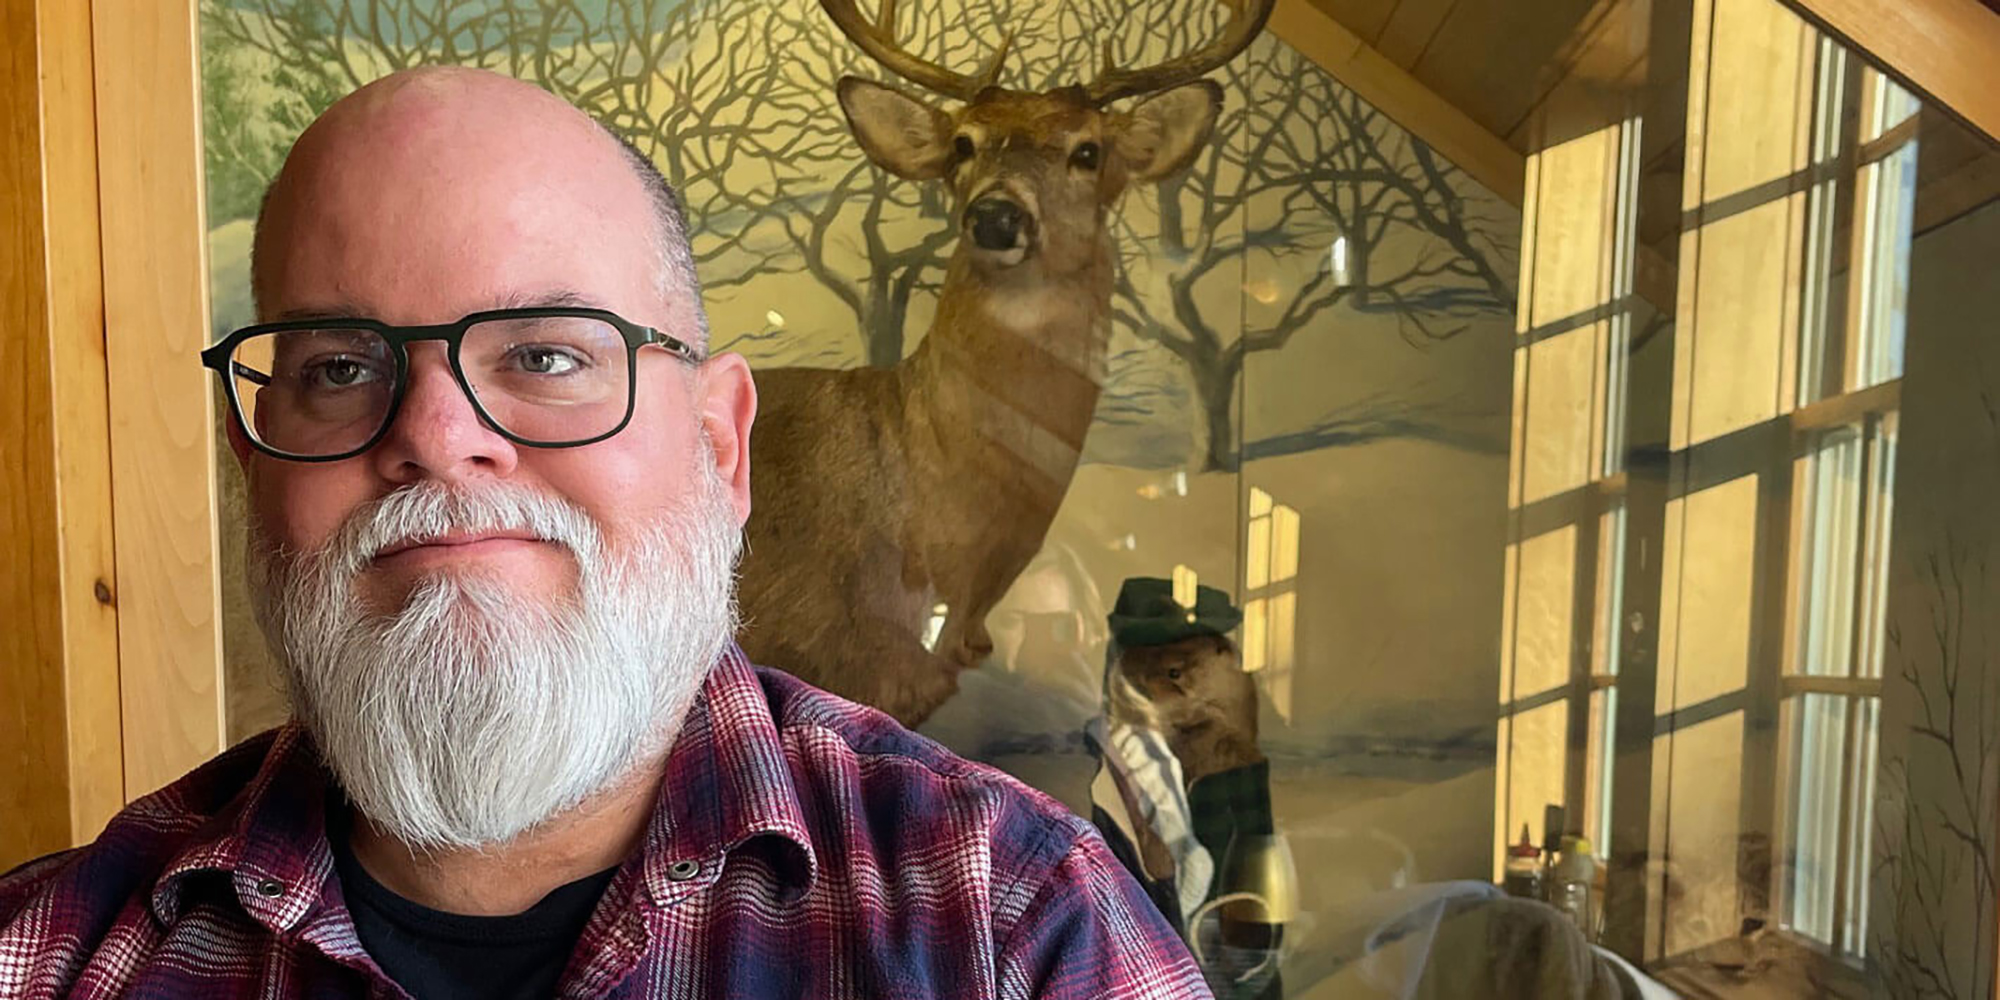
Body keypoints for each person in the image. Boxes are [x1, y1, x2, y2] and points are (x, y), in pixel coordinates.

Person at [0, 68, 1207, 999]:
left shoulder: (1020, 928)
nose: (435, 434)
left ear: (720, 446)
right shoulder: (45, 958)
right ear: (251, 457)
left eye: (544, 355)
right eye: (337, 364)